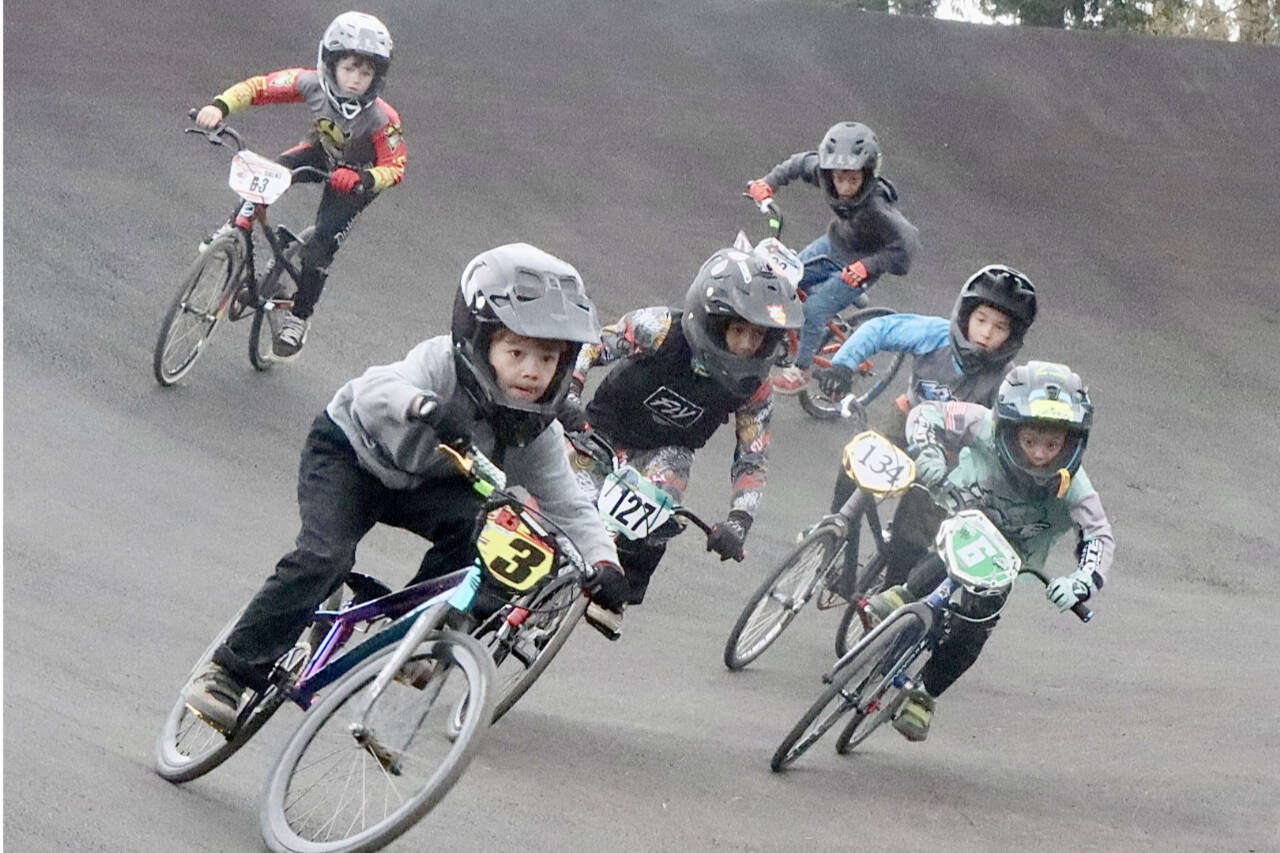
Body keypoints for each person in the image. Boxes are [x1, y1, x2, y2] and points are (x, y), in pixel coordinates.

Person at [182, 243, 627, 733]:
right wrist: (424, 407)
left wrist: (605, 565)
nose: (530, 371)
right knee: (323, 560)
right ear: (479, 342)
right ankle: (228, 671)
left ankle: (413, 634)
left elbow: (569, 505)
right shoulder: (441, 364)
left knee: (482, 532)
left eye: (547, 359)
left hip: (426, 487)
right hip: (351, 455)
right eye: (516, 352)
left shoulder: (535, 429)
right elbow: (374, 389)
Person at [557, 245, 804, 636]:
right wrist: (569, 393)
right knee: (555, 507)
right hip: (599, 430)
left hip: (665, 452)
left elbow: (753, 457)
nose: (745, 347)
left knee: (664, 504)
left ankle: (617, 595)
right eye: (739, 331)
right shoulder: (659, 328)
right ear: (713, 321)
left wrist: (739, 521)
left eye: (757, 337)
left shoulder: (756, 389)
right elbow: (592, 345)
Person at [862, 361, 1114, 743]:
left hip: (1009, 561)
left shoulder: (1073, 484)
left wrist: (1082, 581)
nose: (1040, 455)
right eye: (1030, 441)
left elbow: (1099, 534)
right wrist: (928, 451)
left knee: (976, 628)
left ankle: (925, 694)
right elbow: (927, 414)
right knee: (949, 551)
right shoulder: (982, 422)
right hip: (962, 521)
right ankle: (906, 594)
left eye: (1052, 444)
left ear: (1073, 441)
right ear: (1009, 428)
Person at [193, 11, 406, 357]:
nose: (355, 80)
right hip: (321, 153)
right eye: (349, 68)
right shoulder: (310, 83)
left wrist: (364, 178)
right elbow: (259, 88)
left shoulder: (384, 120)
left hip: (355, 181)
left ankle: (299, 317)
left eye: (365, 72)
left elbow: (396, 166)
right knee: (268, 175)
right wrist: (219, 107)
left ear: (376, 77)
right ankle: (232, 229)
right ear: (330, 64)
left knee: (322, 245)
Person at [815, 265, 1038, 593]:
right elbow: (878, 330)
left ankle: (888, 606)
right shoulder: (934, 333)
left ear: (1012, 336)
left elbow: (1008, 435)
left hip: (949, 455)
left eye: (999, 327)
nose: (987, 333)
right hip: (906, 421)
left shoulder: (1007, 379)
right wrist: (843, 365)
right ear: (964, 315)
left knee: (914, 533)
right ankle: (833, 545)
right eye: (981, 320)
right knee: (854, 467)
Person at [745, 121, 919, 395]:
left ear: (868, 174)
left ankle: (801, 369)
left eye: (854, 179)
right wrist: (768, 183)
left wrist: (866, 266)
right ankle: (799, 331)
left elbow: (907, 247)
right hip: (834, 243)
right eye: (839, 178)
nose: (845, 187)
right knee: (784, 280)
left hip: (861, 264)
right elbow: (798, 163)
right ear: (829, 172)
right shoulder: (825, 175)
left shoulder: (878, 207)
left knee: (814, 310)